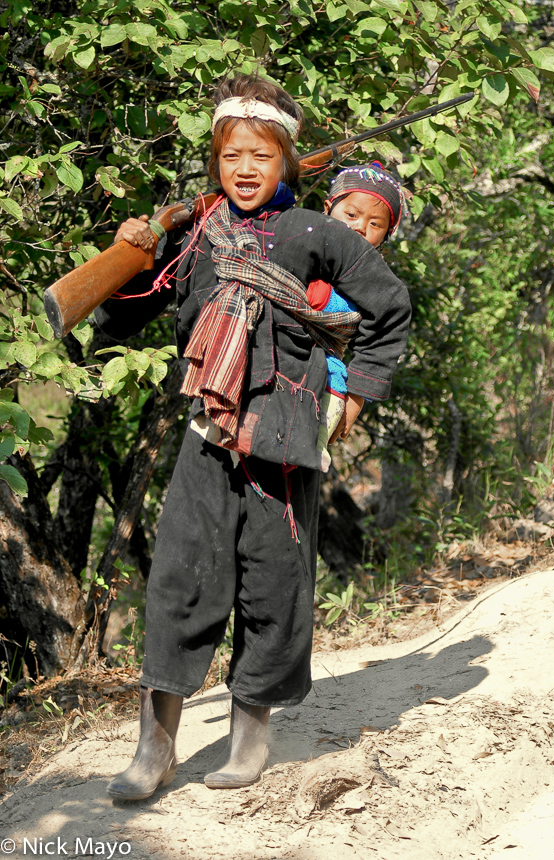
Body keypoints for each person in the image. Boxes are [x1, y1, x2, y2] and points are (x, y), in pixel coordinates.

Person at [96, 74, 411, 801]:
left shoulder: (316, 233)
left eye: (261, 156)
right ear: (216, 160)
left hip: (289, 433)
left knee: (274, 583)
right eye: (232, 153)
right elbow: (116, 325)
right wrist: (129, 255)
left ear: (287, 165)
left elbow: (390, 311)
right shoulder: (193, 236)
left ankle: (249, 736)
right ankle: (155, 748)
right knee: (178, 578)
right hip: (209, 429)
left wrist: (356, 395)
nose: (245, 168)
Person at [308, 161, 404, 469]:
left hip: (327, 382)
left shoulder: (377, 283)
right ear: (328, 207)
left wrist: (356, 398)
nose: (360, 227)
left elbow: (386, 333)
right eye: (351, 214)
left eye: (375, 224)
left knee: (308, 454)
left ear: (386, 235)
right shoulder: (298, 243)